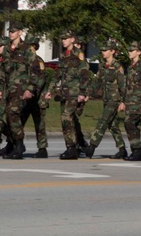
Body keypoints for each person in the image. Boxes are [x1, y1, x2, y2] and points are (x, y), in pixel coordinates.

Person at [45, 29, 91, 160]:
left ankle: (71, 148)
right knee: (71, 120)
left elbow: (85, 75)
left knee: (66, 117)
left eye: (66, 38)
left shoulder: (78, 55)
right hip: (65, 93)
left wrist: (83, 93)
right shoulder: (63, 55)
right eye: (62, 39)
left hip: (75, 93)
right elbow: (57, 74)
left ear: (72, 39)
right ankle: (81, 145)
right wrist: (50, 90)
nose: (63, 41)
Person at [2, 21, 42, 160]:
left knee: (12, 112)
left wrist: (30, 88)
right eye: (9, 31)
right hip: (8, 89)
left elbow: (35, 70)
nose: (10, 33)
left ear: (20, 32)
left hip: (21, 89)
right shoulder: (7, 49)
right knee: (2, 117)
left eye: (13, 31)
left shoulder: (27, 48)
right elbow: (3, 71)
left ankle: (18, 145)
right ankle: (14, 143)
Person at [83, 40, 127, 159]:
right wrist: (89, 94)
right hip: (106, 99)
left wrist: (123, 101)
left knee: (102, 121)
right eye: (102, 50)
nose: (103, 52)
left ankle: (91, 146)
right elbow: (96, 82)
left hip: (114, 100)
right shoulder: (102, 65)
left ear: (112, 51)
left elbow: (123, 85)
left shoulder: (118, 66)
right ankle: (122, 149)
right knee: (113, 125)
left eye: (105, 50)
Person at [120, 41, 141, 161]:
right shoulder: (130, 67)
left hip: (138, 102)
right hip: (130, 102)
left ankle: (136, 149)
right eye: (129, 50)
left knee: (129, 123)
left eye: (132, 50)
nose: (129, 52)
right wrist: (123, 101)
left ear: (138, 52)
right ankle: (136, 152)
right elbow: (128, 86)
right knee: (133, 126)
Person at [20, 39, 49, 158]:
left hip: (37, 98)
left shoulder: (39, 61)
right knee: (19, 122)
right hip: (26, 98)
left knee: (39, 124)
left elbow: (41, 79)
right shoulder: (25, 61)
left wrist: (32, 91)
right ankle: (16, 144)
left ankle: (42, 148)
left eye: (31, 46)